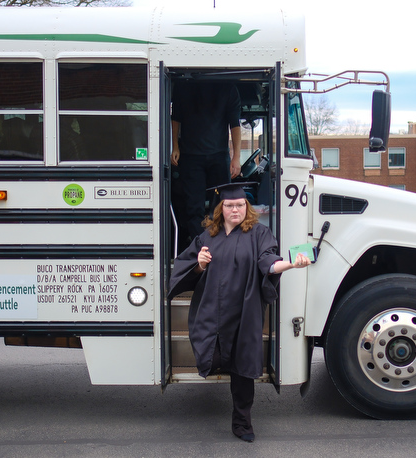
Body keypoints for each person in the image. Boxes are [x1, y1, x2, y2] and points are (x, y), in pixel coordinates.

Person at [168, 183, 311, 443]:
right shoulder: (207, 237)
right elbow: (187, 266)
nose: (236, 209)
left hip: (245, 312)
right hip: (213, 309)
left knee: (243, 368)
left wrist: (290, 263)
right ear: (220, 208)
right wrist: (199, 265)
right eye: (230, 205)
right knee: (214, 357)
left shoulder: (259, 233)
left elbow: (268, 260)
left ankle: (242, 423)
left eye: (241, 205)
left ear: (248, 207)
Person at [170, 81, 242, 244]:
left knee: (223, 205)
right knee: (194, 208)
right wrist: (175, 146)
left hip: (218, 155)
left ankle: (220, 244)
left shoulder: (228, 87)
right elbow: (176, 118)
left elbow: (235, 124)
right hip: (190, 155)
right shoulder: (184, 86)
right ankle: (201, 246)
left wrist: (236, 157)